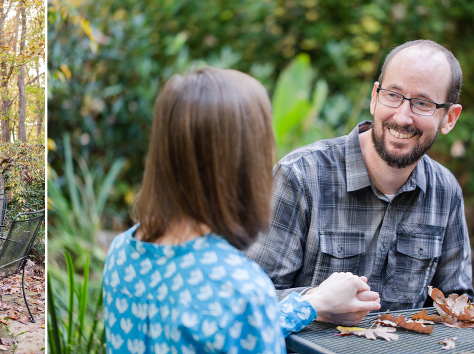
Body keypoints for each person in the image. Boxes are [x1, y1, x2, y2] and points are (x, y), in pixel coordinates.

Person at [102, 67, 381, 354]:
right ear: (245, 161)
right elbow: (240, 323)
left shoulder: (122, 251)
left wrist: (312, 304)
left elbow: (223, 330)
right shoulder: (239, 287)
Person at [244, 39, 474, 311]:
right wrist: (316, 307)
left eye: (422, 103)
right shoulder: (300, 176)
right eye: (393, 95)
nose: (402, 117)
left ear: (449, 118)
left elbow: (458, 306)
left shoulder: (445, 191)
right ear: (375, 97)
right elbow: (251, 297)